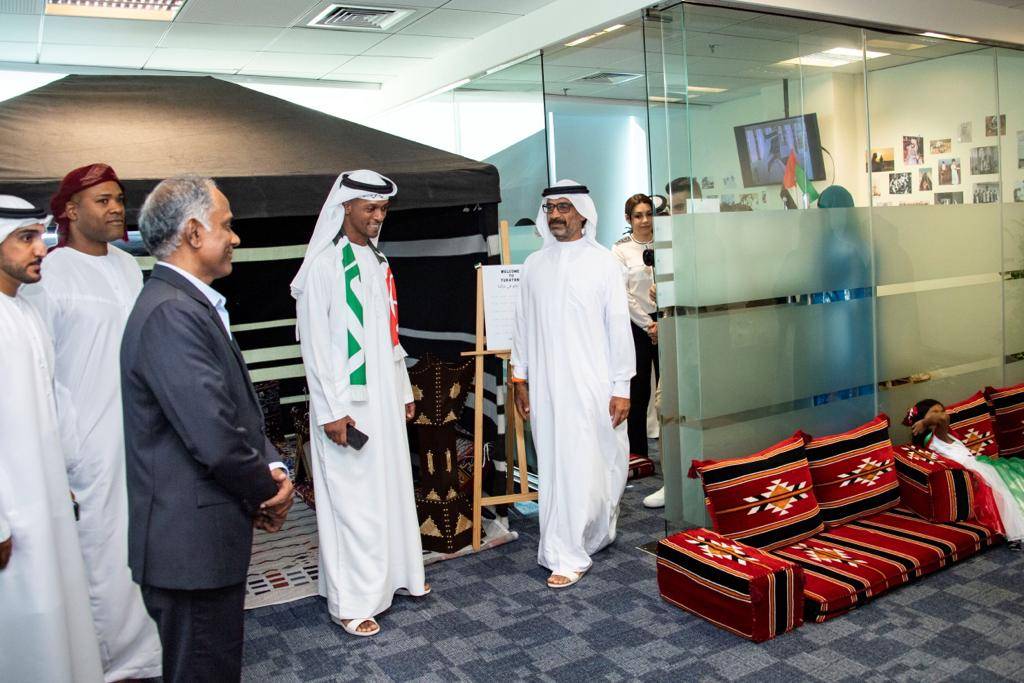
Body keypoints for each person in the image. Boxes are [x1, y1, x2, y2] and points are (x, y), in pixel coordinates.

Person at [122, 175, 294, 682]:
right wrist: (268, 490)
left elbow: (235, 411)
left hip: (199, 544)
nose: (235, 237)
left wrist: (274, 466)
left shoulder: (184, 304)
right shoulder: (172, 313)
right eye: (227, 225)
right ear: (194, 233)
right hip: (189, 551)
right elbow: (215, 437)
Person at [21, 164, 162, 682]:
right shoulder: (50, 274)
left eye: (119, 199)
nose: (116, 208)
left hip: (142, 430)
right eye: (103, 200)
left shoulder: (128, 266)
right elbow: (40, 369)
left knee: (147, 542)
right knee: (103, 549)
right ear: (70, 211)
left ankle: (150, 652)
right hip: (87, 439)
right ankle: (112, 664)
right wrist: (60, 452)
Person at [292, 169, 427, 638]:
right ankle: (351, 602)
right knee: (352, 501)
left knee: (386, 489)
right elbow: (314, 347)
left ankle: (394, 578)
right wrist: (331, 411)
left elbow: (389, 334)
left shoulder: (377, 260)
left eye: (383, 209)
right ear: (345, 207)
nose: (378, 216)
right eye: (370, 208)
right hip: (345, 405)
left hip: (383, 400)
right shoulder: (323, 267)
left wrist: (403, 390)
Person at [0, 195, 104, 682]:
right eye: (25, 239)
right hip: (13, 512)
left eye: (39, 237)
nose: (40, 249)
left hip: (45, 499)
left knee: (58, 614)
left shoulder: (24, 311)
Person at [512, 180, 635, 588]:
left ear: (583, 213)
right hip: (546, 387)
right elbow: (521, 325)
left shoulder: (603, 263)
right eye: (550, 208)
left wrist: (622, 386)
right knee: (555, 464)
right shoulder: (533, 265)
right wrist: (519, 377)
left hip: (591, 383)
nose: (556, 215)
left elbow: (618, 328)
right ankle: (565, 550)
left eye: (564, 207)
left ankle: (591, 531)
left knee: (593, 461)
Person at [905, 399, 1024, 548]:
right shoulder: (934, 436)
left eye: (941, 410)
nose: (941, 414)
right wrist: (925, 422)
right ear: (923, 418)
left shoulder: (945, 432)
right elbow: (943, 419)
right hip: (974, 471)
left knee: (1014, 479)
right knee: (1003, 494)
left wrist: (926, 420)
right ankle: (1015, 533)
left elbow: (944, 419)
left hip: (980, 465)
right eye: (935, 412)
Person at [611, 194, 660, 495]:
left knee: (670, 393)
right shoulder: (620, 250)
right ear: (629, 219)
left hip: (668, 321)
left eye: (648, 214)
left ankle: (672, 451)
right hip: (638, 325)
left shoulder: (666, 243)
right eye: (638, 215)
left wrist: (662, 321)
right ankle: (638, 455)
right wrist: (648, 324)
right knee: (639, 392)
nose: (644, 220)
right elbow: (623, 294)